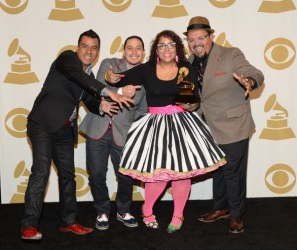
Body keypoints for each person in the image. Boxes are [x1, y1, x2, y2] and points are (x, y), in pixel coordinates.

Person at [20, 29, 133, 241]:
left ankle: (69, 222)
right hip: (42, 124)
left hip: (65, 129)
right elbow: (79, 78)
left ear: (98, 51)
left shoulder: (89, 75)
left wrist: (102, 107)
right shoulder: (66, 60)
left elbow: (89, 100)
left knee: (68, 176)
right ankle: (29, 225)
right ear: (77, 47)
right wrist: (110, 92)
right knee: (41, 172)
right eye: (85, 46)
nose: (89, 51)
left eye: (94, 48)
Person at [111, 30, 226, 233]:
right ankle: (147, 210)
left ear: (177, 48)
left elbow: (193, 97)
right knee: (158, 175)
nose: (166, 49)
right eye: (162, 45)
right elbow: (117, 79)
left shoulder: (186, 69)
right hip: (155, 126)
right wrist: (107, 76)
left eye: (171, 44)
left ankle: (178, 214)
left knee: (182, 174)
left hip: (182, 124)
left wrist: (191, 105)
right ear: (156, 49)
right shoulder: (146, 69)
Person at [183, 16, 265, 233]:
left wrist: (250, 81)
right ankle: (221, 208)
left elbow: (255, 73)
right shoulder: (189, 63)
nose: (196, 43)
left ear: (211, 36)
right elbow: (199, 95)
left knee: (232, 172)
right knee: (217, 170)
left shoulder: (230, 54)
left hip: (233, 124)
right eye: (191, 40)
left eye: (201, 37)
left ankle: (237, 215)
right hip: (207, 127)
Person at [79, 35, 147, 230]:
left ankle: (123, 210)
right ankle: (102, 210)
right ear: (123, 51)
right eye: (130, 48)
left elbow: (143, 109)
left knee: (125, 175)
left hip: (124, 133)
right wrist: (116, 85)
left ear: (143, 53)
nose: (134, 52)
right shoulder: (109, 64)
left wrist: (134, 128)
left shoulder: (146, 76)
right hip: (97, 128)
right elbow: (100, 84)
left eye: (138, 48)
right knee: (97, 173)